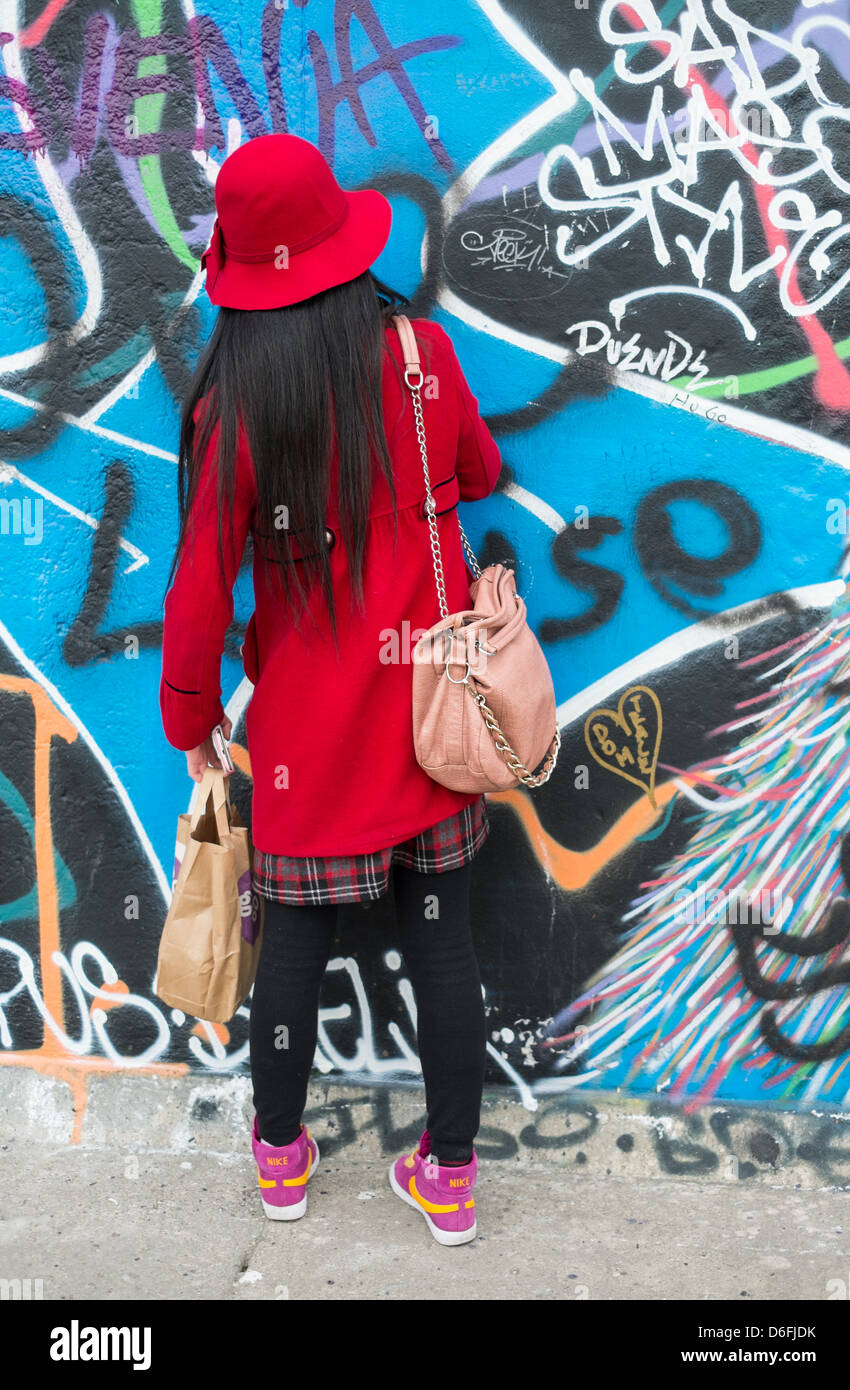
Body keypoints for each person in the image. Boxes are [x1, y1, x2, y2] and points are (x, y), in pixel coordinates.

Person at [159, 134, 502, 1247]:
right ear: (340, 238)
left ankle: (279, 1161)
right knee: (444, 946)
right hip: (428, 719)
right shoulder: (419, 354)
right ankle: (447, 1178)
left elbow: (201, 579)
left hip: (309, 731)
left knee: (292, 957)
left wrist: (191, 719)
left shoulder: (237, 400)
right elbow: (479, 474)